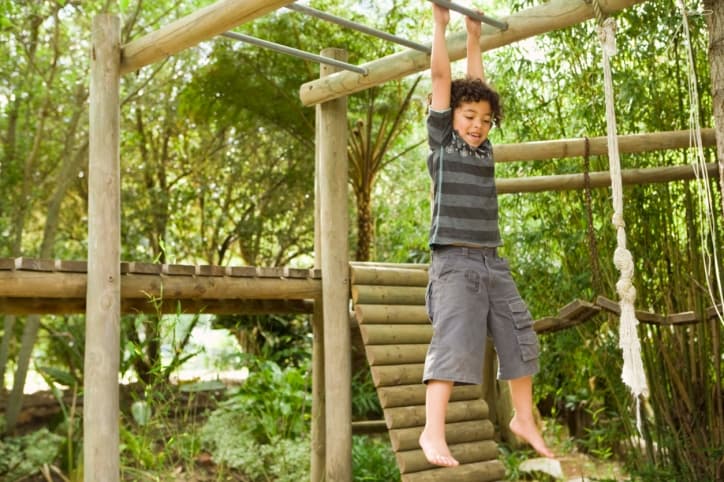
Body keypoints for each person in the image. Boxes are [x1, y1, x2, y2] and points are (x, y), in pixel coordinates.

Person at [418, 3, 555, 467]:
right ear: (450, 115)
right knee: (454, 342)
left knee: (520, 332)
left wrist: (474, 37)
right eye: (468, 116)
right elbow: (443, 77)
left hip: (493, 262)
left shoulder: (484, 148)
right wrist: (441, 26)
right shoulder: (443, 140)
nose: (477, 124)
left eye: (484, 119)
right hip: (454, 262)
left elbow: (478, 86)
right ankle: (432, 432)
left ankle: (523, 417)